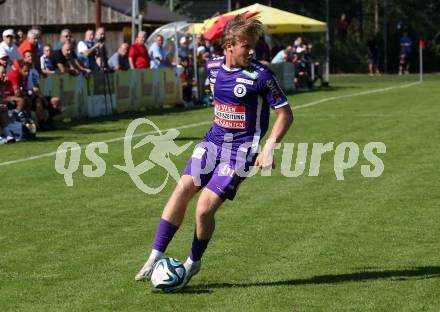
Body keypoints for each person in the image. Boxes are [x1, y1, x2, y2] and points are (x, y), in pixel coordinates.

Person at [135, 14, 293, 290]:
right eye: (247, 45)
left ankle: (193, 262)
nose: (252, 50)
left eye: (254, 45)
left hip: (240, 153)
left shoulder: (262, 76)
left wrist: (268, 147)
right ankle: (153, 258)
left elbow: (285, 114)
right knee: (182, 189)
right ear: (229, 45)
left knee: (203, 209)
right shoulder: (212, 68)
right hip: (212, 143)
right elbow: (221, 106)